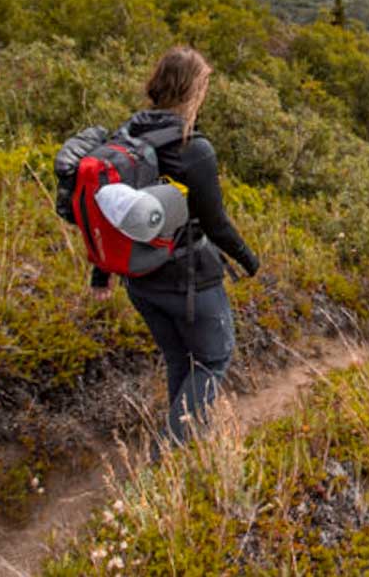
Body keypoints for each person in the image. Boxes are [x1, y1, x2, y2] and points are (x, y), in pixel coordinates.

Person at [90, 46, 260, 446]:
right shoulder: (192, 147)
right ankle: (170, 452)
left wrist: (102, 271)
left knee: (179, 359)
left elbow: (108, 208)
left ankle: (185, 437)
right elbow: (216, 223)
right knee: (213, 359)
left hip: (140, 279)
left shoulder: (126, 134)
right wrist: (249, 260)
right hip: (189, 281)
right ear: (193, 90)